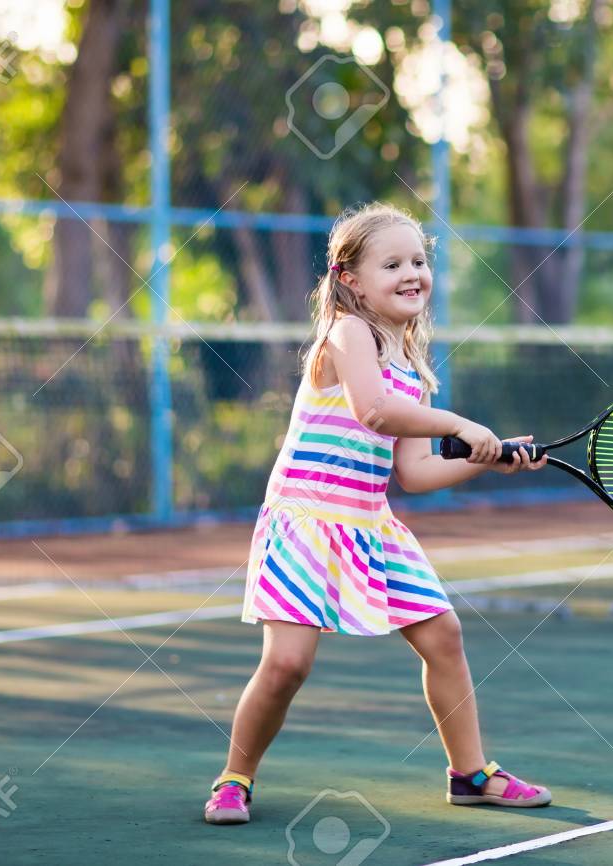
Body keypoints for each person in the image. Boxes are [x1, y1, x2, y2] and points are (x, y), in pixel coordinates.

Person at [204, 203, 552, 825]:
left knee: (444, 636)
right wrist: (461, 424)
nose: (411, 273)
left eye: (418, 261)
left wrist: (488, 460)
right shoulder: (347, 334)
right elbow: (372, 411)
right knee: (286, 663)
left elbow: (413, 474)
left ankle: (470, 774)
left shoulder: (414, 370)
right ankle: (234, 778)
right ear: (350, 280)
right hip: (305, 519)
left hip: (372, 525)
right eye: (391, 263)